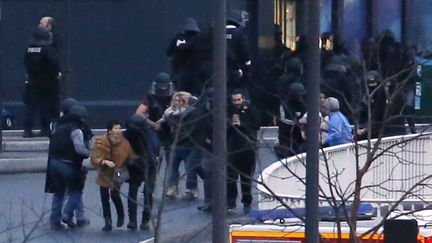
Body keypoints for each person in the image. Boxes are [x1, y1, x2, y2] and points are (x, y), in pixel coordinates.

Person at [45, 98, 91, 227]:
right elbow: (79, 148)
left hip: (53, 162)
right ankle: (68, 214)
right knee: (76, 190)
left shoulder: (56, 125)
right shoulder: (76, 129)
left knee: (59, 192)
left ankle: (54, 221)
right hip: (69, 163)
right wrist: (88, 153)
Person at [91, 120, 137, 231]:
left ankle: (120, 214)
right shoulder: (101, 141)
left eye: (119, 128)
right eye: (115, 128)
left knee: (115, 195)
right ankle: (108, 221)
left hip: (118, 172)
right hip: (105, 173)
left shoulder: (124, 142)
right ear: (109, 130)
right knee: (104, 197)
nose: (118, 131)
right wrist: (104, 161)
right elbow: (95, 158)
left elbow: (131, 155)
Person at [227, 89, 260, 214]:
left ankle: (247, 202)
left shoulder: (251, 110)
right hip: (232, 148)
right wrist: (231, 124)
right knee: (230, 177)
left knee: (246, 178)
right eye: (234, 100)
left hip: (248, 148)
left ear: (243, 99)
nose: (236, 102)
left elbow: (256, 125)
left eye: (238, 100)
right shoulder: (228, 110)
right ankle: (231, 201)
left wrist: (241, 124)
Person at [23, 27, 61, 137]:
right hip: (47, 81)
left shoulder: (29, 49)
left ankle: (27, 130)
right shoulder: (47, 48)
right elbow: (54, 63)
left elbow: (26, 62)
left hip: (32, 80)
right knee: (45, 106)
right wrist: (56, 73)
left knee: (31, 106)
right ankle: (45, 129)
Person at [123, 114, 158, 231]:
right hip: (144, 165)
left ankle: (136, 220)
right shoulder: (148, 133)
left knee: (135, 192)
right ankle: (143, 221)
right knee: (146, 193)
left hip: (140, 165)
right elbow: (155, 148)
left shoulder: (128, 134)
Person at [135, 72, 174, 164]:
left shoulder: (175, 97)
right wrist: (151, 124)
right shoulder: (150, 97)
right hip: (155, 127)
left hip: (171, 129)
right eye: (161, 86)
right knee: (154, 150)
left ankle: (171, 174)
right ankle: (154, 167)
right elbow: (139, 113)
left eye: (165, 86)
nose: (163, 89)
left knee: (172, 157)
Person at [167, 18, 202, 94]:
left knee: (181, 94)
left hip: (181, 72)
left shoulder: (178, 37)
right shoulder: (199, 39)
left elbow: (169, 52)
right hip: (195, 73)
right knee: (198, 94)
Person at [274, 82, 307, 159]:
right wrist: (298, 122)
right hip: (285, 138)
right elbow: (283, 120)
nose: (299, 98)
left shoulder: (303, 105)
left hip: (299, 138)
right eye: (297, 96)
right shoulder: (284, 105)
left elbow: (306, 115)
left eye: (301, 95)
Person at [226, 9, 252, 94]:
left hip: (219, 70)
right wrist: (247, 67)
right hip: (237, 69)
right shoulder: (240, 33)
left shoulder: (218, 32)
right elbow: (245, 52)